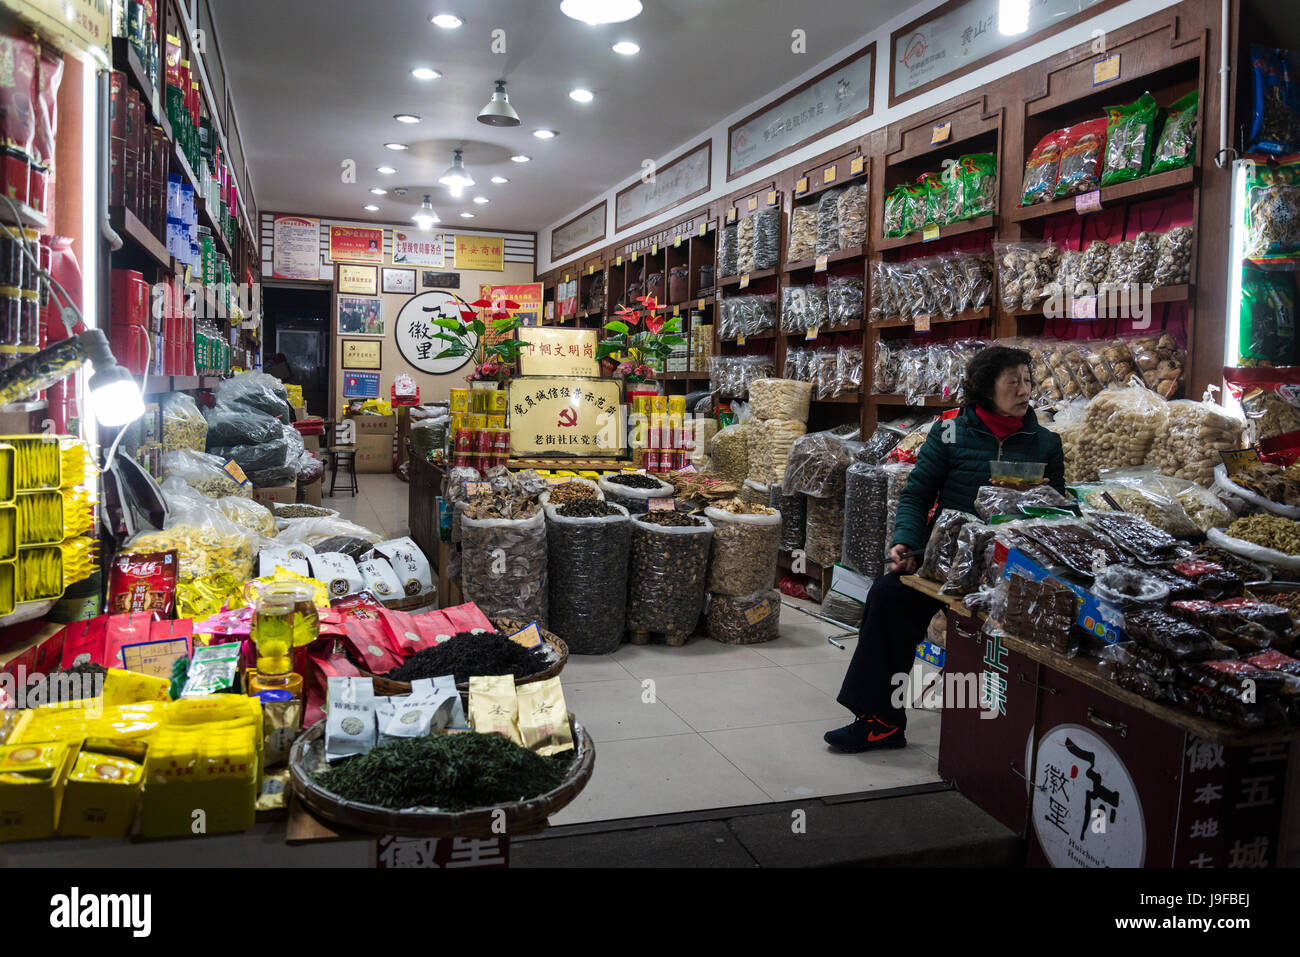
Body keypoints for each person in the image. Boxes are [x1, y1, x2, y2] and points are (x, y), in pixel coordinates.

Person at [824, 345, 1066, 753]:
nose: (1025, 390)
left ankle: (1011, 736)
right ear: (986, 386)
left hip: (1011, 566)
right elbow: (917, 494)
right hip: (946, 556)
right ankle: (879, 721)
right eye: (1014, 381)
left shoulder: (1044, 442)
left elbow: (1056, 511)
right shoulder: (949, 431)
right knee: (888, 597)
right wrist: (906, 542)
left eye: (1028, 380)